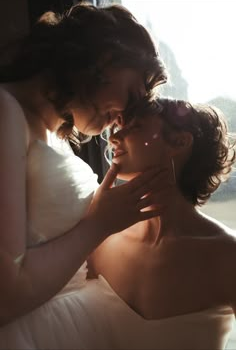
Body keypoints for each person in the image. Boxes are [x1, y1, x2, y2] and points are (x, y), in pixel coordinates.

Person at [0, 1, 169, 349]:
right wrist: (99, 223)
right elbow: (5, 295)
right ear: (105, 58)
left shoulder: (54, 136)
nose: (124, 117)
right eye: (132, 95)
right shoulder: (5, 113)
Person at [89, 96, 236, 350]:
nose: (114, 138)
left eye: (134, 127)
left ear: (179, 142)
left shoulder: (227, 255)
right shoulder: (101, 240)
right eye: (118, 127)